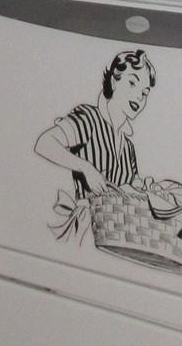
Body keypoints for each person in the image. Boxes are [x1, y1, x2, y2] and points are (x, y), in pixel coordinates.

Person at [34, 49, 155, 240]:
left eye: (145, 92)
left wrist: (145, 189)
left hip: (118, 235)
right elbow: (44, 143)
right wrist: (86, 168)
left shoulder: (128, 146)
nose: (140, 97)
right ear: (115, 81)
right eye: (132, 83)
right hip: (85, 231)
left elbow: (130, 189)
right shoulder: (88, 118)